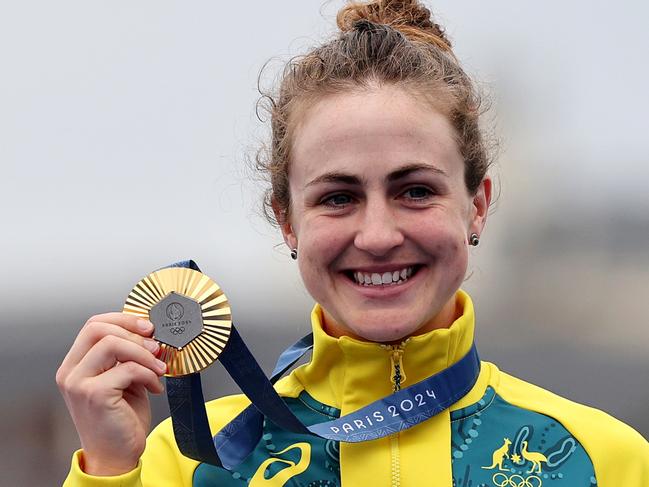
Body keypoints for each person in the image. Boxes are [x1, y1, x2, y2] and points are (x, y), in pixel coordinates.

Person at [57, 1, 649, 486]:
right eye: (338, 197)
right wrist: (110, 470)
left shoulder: (603, 460)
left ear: (478, 204)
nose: (378, 235)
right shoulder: (186, 461)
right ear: (287, 221)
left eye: (415, 190)